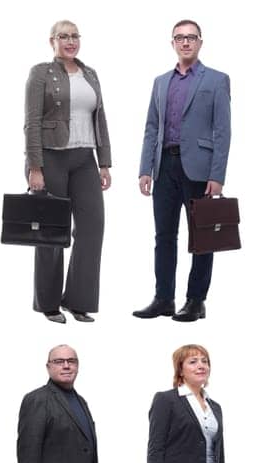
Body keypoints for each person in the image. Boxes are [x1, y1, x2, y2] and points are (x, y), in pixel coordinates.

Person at [132, 21, 232, 322]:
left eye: (191, 38)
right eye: (179, 38)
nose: (185, 42)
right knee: (164, 235)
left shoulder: (216, 80)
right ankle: (163, 298)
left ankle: (196, 300)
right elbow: (151, 127)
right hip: (164, 167)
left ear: (200, 42)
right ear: (172, 43)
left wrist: (217, 175)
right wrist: (145, 168)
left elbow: (223, 131)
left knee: (202, 237)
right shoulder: (161, 81)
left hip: (199, 169)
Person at [24, 21, 111, 324]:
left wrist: (104, 162)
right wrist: (35, 167)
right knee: (51, 232)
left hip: (85, 159)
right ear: (53, 41)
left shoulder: (90, 74)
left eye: (75, 36)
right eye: (64, 36)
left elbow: (100, 119)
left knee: (92, 228)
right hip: (51, 159)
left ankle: (78, 300)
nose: (70, 41)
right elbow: (32, 121)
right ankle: (48, 303)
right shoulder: (41, 73)